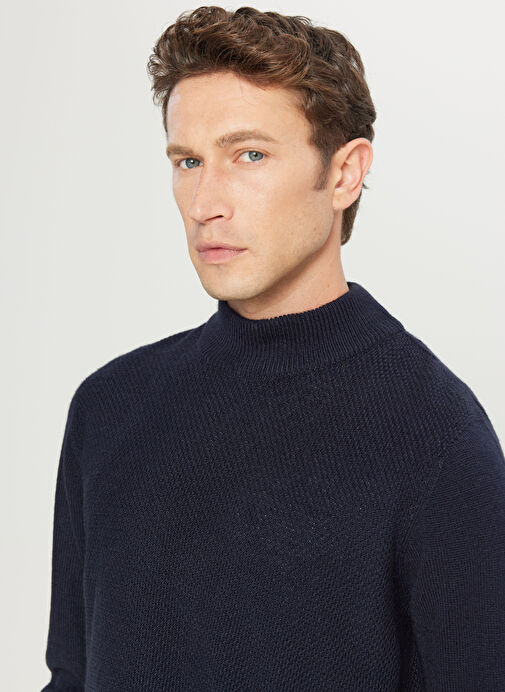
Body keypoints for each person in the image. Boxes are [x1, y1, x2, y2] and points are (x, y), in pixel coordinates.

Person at [41, 6, 505, 690]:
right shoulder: (109, 407)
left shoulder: (432, 435)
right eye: (188, 161)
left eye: (249, 155)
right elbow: (72, 677)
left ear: (344, 174)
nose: (204, 202)